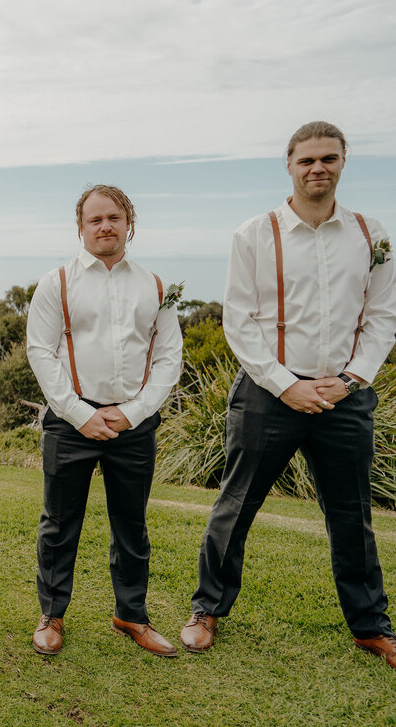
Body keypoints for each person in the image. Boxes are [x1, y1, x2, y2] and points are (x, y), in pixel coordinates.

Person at [182, 121, 396, 667]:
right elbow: (240, 321)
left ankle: (372, 626)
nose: (317, 168)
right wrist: (287, 385)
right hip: (267, 393)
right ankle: (207, 610)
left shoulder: (373, 235)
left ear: (344, 161)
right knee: (235, 507)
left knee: (351, 515)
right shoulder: (254, 233)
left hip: (343, 397)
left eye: (328, 158)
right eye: (306, 160)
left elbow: (381, 318)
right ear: (289, 165)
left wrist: (350, 381)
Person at [25, 184, 183, 657]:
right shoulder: (57, 282)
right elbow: (41, 351)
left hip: (133, 425)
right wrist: (79, 413)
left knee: (131, 525)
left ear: (129, 222)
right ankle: (51, 615)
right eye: (94, 220)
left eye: (113, 217)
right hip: (71, 423)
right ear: (81, 227)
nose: (105, 226)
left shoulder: (154, 285)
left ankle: (131, 615)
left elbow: (168, 358)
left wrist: (133, 412)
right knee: (59, 524)